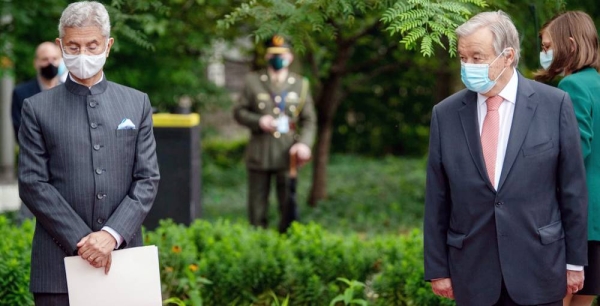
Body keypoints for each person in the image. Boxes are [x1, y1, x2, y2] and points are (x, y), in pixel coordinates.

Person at [423, 10, 588, 306]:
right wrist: (437, 268)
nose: (468, 66)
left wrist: (575, 262)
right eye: (462, 58)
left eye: (477, 57)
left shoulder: (554, 105)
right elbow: (437, 196)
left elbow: (572, 190)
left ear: (508, 56)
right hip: (472, 272)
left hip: (539, 268)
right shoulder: (445, 114)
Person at [17, 1, 160, 305]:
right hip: (57, 267)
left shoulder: (136, 103)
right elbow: (32, 183)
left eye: (92, 46)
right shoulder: (36, 108)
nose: (83, 55)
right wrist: (84, 242)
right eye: (73, 46)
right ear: (61, 45)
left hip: (125, 262)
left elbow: (147, 178)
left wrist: (111, 235)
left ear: (108, 45)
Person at [534, 11, 600, 306]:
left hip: (576, 219)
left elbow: (574, 153)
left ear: (570, 45)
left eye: (547, 46)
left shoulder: (572, 87)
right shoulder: (596, 83)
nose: (543, 53)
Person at [233, 34, 316, 233]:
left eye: (283, 54)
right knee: (257, 209)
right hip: (259, 153)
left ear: (290, 57)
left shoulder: (300, 84)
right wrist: (259, 121)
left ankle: (286, 247)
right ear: (267, 56)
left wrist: (304, 144)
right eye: (273, 54)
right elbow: (238, 112)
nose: (278, 58)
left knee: (288, 206)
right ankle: (259, 246)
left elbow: (309, 120)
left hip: (288, 153)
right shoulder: (253, 81)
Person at [11, 42, 63, 223]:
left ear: (61, 60)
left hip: (65, 165)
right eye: (45, 59)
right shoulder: (21, 93)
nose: (50, 63)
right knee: (28, 216)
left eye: (54, 59)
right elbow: (20, 129)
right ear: (36, 63)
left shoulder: (70, 91)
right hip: (35, 163)